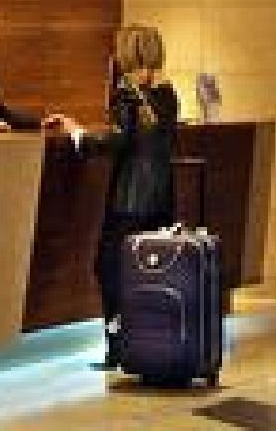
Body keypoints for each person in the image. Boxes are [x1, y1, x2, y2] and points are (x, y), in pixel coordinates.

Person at [92, 23, 180, 369]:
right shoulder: (168, 95)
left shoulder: (125, 95)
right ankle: (150, 345)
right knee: (151, 273)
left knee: (110, 269)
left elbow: (118, 141)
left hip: (128, 199)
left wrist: (79, 136)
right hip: (161, 198)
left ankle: (117, 347)